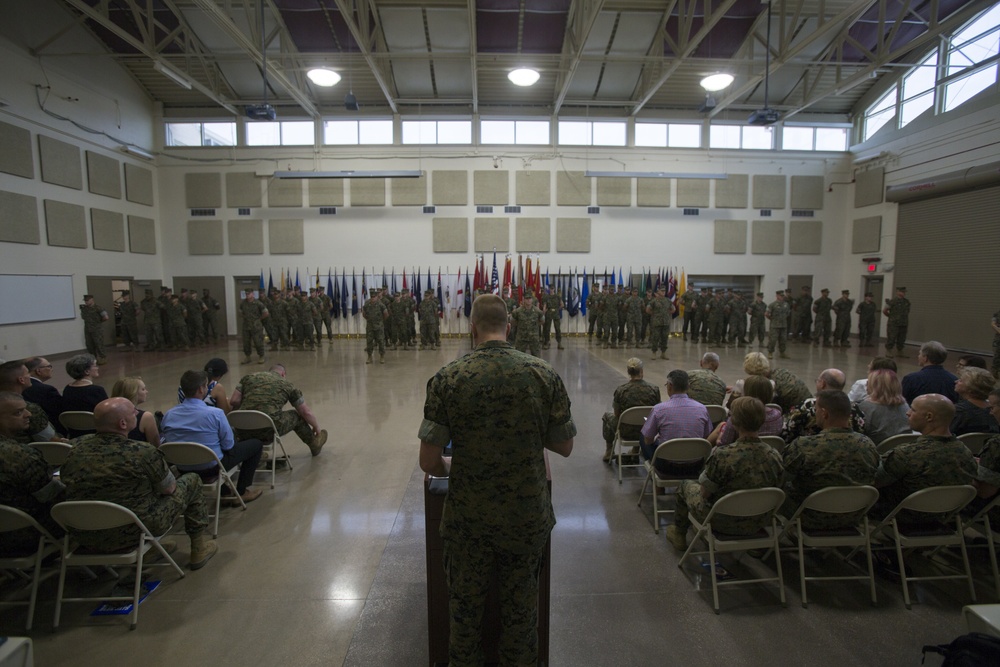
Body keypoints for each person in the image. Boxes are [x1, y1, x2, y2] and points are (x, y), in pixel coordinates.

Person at [417, 294, 575, 666]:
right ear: (511, 325)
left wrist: (454, 467)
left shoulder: (449, 378)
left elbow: (429, 461)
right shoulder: (542, 374)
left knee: (465, 618)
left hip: (468, 523)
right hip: (525, 518)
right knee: (521, 616)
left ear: (472, 327)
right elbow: (564, 446)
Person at [61, 397, 218, 569]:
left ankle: (151, 551)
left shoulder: (73, 448)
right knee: (192, 480)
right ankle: (198, 549)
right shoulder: (142, 452)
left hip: (84, 531)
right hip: (134, 529)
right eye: (133, 412)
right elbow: (169, 488)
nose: (137, 413)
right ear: (123, 423)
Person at [666, 397, 784, 551]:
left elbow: (705, 492)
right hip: (759, 521)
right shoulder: (775, 455)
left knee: (685, 486)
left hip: (721, 521)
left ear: (734, 423)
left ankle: (679, 534)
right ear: (762, 421)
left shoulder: (723, 455)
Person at [161, 370, 264, 505]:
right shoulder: (215, 414)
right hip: (211, 467)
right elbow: (229, 445)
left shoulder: (169, 415)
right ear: (201, 390)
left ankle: (225, 492)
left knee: (210, 450)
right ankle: (242, 491)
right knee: (255, 445)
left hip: (183, 467)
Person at [872, 394, 977, 521]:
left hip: (900, 516)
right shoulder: (966, 453)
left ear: (929, 417)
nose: (908, 413)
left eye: (913, 410)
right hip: (943, 516)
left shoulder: (907, 454)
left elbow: (874, 481)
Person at [781, 391, 879, 527]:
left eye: (816, 410)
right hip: (853, 515)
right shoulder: (868, 445)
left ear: (824, 413)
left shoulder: (804, 446)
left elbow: (782, 477)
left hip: (808, 516)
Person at [0, 391, 65, 553]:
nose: (28, 414)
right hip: (26, 536)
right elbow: (53, 497)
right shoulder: (19, 455)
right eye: (18, 412)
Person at [229, 364, 328, 456]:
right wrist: (316, 427)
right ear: (283, 374)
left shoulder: (248, 378)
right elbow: (305, 412)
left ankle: (253, 454)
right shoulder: (287, 384)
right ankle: (314, 444)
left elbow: (234, 401)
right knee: (296, 415)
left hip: (242, 429)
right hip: (268, 430)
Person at [639, 370, 712, 473]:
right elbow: (706, 436)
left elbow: (648, 440)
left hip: (667, 466)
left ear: (669, 386)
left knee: (644, 435)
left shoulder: (659, 410)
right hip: (695, 465)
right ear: (688, 386)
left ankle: (658, 484)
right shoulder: (702, 409)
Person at [780, 369, 865, 443]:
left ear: (822, 384)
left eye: (818, 380)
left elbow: (786, 433)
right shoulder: (856, 410)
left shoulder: (806, 407)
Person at [601, 358, 661, 462]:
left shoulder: (621, 390)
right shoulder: (654, 389)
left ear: (628, 372)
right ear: (642, 371)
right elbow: (658, 411)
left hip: (625, 430)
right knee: (644, 419)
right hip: (646, 431)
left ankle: (609, 451)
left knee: (607, 416)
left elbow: (616, 413)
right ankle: (635, 450)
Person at [0, 361, 63, 443]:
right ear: (21, 380)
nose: (30, 375)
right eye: (27, 373)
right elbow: (51, 442)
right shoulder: (28, 408)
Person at [710, 375, 783, 446]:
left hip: (737, 455)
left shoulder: (737, 418)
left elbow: (724, 444)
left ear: (746, 392)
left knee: (721, 427)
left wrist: (719, 439)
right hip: (767, 454)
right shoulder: (778, 415)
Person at [857, 369, 912, 445]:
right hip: (903, 450)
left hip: (876, 452)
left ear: (875, 386)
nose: (866, 384)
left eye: (868, 382)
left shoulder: (864, 407)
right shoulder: (906, 407)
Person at [61, 354, 109, 437]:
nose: (97, 368)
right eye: (95, 365)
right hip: (97, 433)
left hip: (75, 433)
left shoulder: (67, 389)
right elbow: (107, 413)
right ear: (87, 371)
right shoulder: (96, 390)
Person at [951, 367, 1000, 436]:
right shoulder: (994, 411)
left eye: (961, 380)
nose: (956, 381)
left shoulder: (958, 411)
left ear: (971, 388)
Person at [111, 376, 160, 446]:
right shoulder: (146, 417)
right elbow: (156, 447)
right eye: (143, 389)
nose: (146, 391)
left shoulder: (108, 415)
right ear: (132, 393)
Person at [22, 356, 62, 432]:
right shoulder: (47, 390)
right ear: (38, 371)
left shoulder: (21, 387)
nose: (52, 369)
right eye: (49, 366)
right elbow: (61, 412)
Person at [240, 290, 269, 364]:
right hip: (246, 326)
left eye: (249, 294)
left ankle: (261, 356)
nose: (247, 295)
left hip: (256, 326)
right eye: (246, 294)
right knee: (246, 342)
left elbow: (266, 313)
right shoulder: (243, 303)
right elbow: (240, 312)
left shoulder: (258, 303)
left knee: (258, 342)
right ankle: (247, 357)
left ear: (252, 294)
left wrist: (258, 319)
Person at [79, 294, 110, 364]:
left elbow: (106, 317)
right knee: (89, 345)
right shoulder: (84, 309)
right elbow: (83, 317)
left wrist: (98, 322)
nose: (86, 302)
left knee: (99, 344)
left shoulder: (98, 308)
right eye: (85, 301)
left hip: (97, 329)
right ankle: (93, 359)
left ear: (92, 300)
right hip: (87, 329)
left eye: (87, 300)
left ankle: (103, 358)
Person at [646, 286, 673, 360]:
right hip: (657, 322)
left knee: (665, 337)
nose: (663, 292)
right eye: (662, 291)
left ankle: (663, 353)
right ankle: (654, 352)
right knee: (655, 338)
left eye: (664, 291)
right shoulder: (654, 301)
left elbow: (673, 309)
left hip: (665, 323)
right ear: (658, 292)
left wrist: (667, 314)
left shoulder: (668, 300)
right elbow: (648, 310)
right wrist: (655, 314)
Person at [882, 286, 911, 358]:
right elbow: (885, 310)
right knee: (891, 337)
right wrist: (891, 317)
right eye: (902, 291)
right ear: (897, 292)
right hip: (893, 324)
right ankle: (889, 351)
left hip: (903, 323)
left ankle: (900, 351)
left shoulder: (906, 302)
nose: (903, 293)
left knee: (902, 338)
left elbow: (907, 311)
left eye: (904, 292)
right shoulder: (892, 301)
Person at [363, 289, 389, 364]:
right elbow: (364, 314)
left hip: (379, 327)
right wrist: (369, 320)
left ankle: (382, 356)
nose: (373, 298)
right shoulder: (367, 304)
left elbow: (386, 314)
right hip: (370, 327)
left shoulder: (381, 304)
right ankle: (369, 357)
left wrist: (380, 321)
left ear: (377, 297)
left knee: (381, 341)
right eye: (372, 297)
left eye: (374, 297)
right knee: (369, 342)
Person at [765, 290, 790, 359]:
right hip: (775, 325)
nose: (782, 297)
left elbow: (788, 314)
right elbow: (767, 314)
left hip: (783, 325)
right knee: (773, 340)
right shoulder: (772, 305)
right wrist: (772, 319)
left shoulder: (786, 304)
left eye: (782, 296)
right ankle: (770, 352)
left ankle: (782, 352)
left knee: (783, 340)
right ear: (777, 296)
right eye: (780, 296)